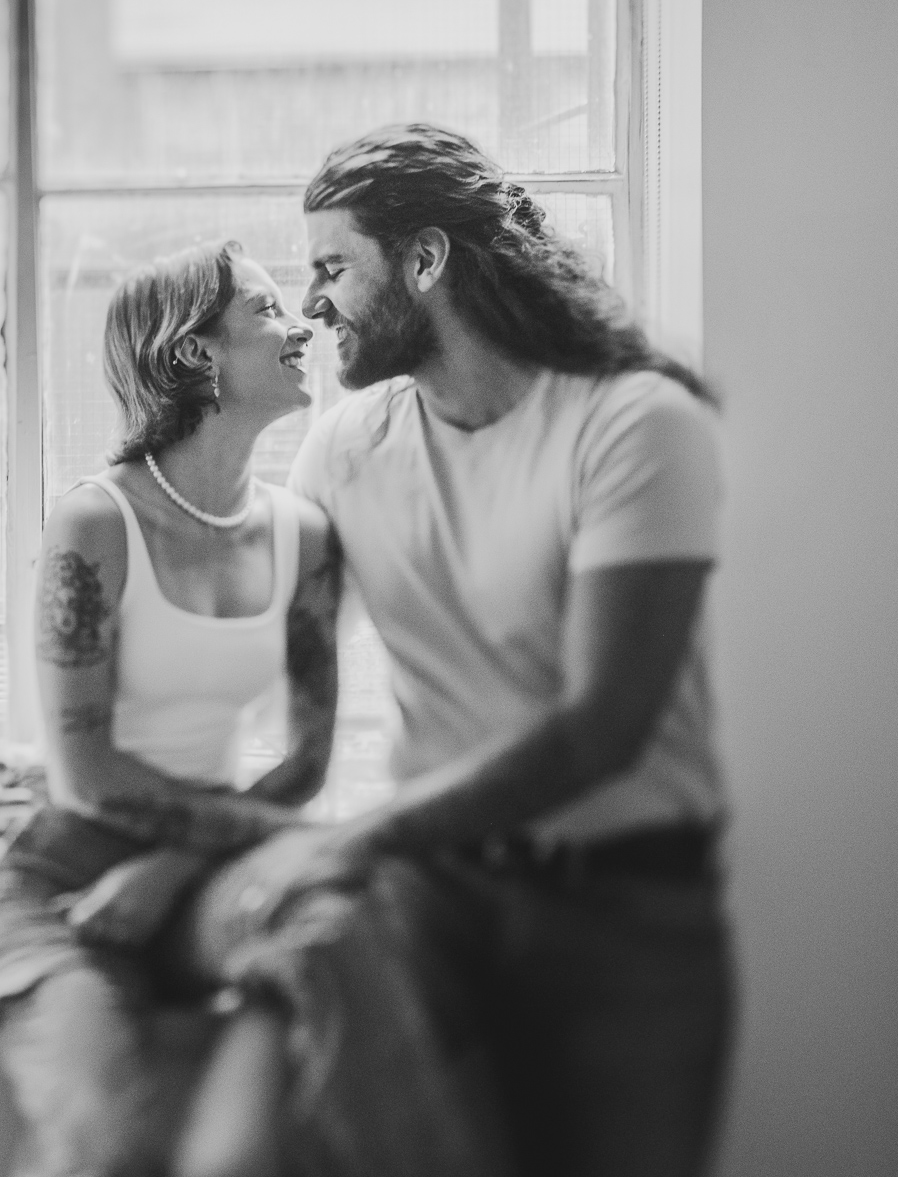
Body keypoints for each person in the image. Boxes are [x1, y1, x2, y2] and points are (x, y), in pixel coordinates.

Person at [271, 122, 736, 1177]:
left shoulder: (636, 425)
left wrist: (365, 834)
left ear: (426, 260)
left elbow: (601, 728)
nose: (310, 304)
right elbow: (273, 654)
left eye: (332, 267)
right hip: (429, 910)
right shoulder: (346, 444)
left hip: (625, 922)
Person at [0, 238, 346, 1177]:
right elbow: (85, 774)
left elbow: (305, 764)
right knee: (105, 1145)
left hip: (209, 869)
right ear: (195, 354)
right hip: (66, 884)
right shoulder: (95, 523)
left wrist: (173, 868)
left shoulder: (305, 537)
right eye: (266, 311)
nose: (301, 323)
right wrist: (159, 864)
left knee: (314, 1028)